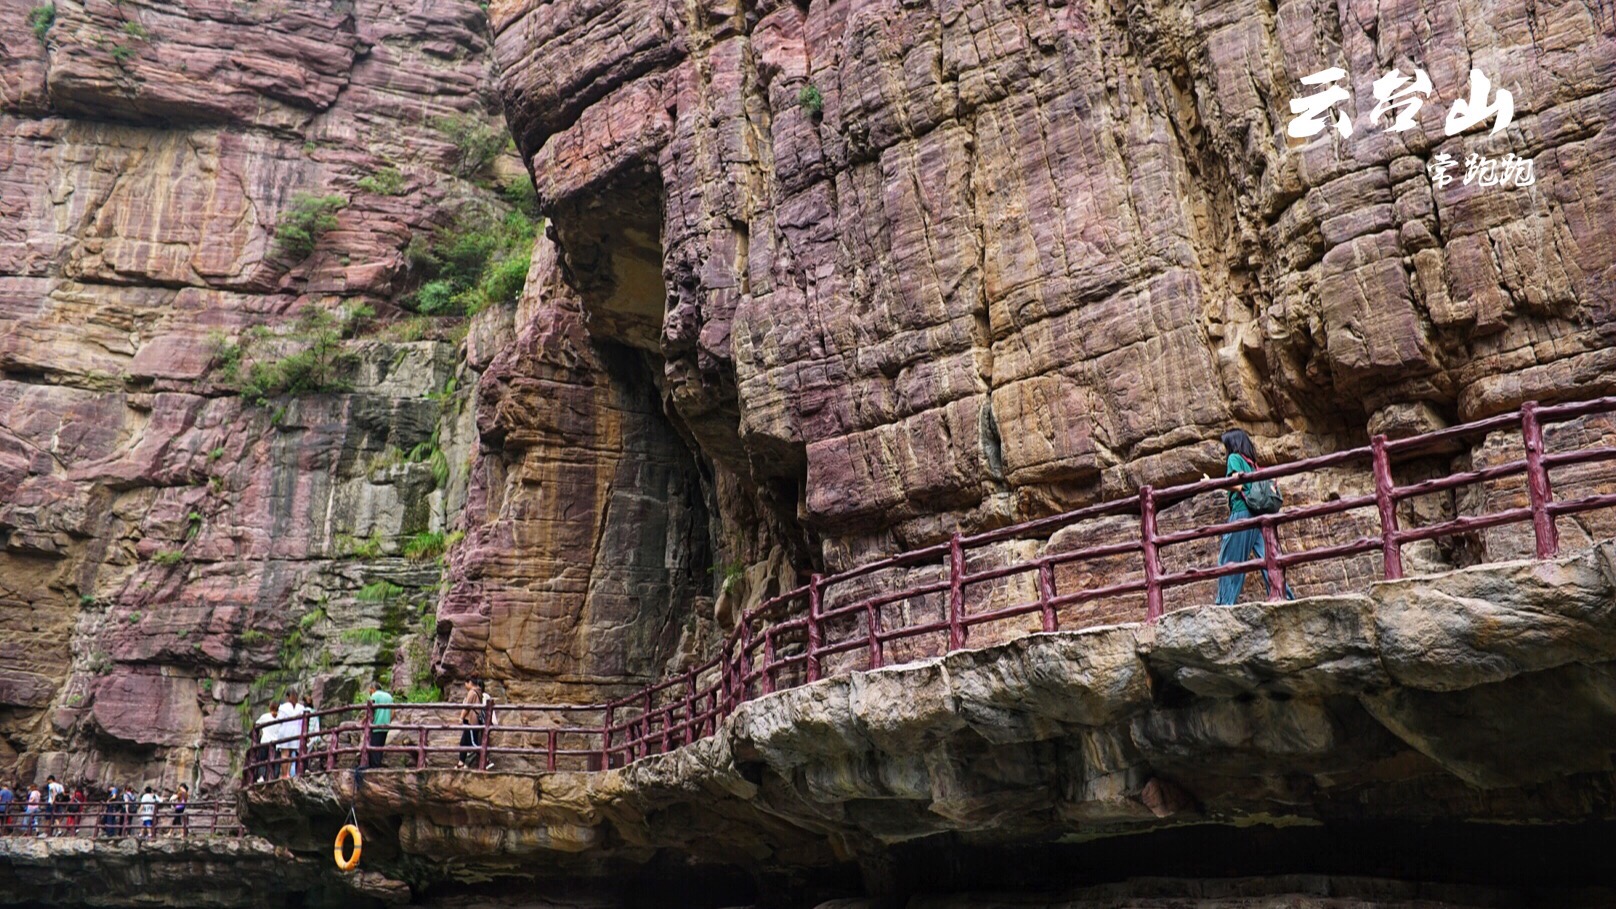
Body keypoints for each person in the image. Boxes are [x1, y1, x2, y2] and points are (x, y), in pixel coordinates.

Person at [1215, 429, 1296, 605]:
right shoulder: (1252, 463)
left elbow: (1235, 483)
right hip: (1258, 514)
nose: (1225, 450)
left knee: (1230, 559)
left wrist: (1211, 484)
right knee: (1268, 558)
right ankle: (1283, 597)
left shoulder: (1234, 458)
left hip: (1242, 512)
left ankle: (1224, 604)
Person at [456, 679, 489, 769]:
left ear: (470, 683)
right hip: (470, 720)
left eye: (465, 683)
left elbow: (466, 707)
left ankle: (486, 760)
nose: (465, 685)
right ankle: (461, 763)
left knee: (473, 743)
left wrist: (461, 717)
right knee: (463, 742)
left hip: (471, 721)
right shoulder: (478, 692)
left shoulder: (472, 692)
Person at [276, 691, 305, 778]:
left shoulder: (283, 708)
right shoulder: (300, 708)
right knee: (291, 752)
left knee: (285, 754)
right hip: (296, 732)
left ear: (288, 697)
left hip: (285, 731)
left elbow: (279, 719)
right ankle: (288, 774)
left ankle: (285, 774)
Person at [365, 681, 393, 769]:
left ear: (373, 689)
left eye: (370, 690)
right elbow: (393, 712)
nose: (369, 692)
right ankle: (378, 765)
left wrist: (365, 721)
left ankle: (375, 768)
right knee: (380, 747)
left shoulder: (374, 696)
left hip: (376, 725)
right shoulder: (389, 696)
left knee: (373, 747)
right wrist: (388, 720)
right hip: (385, 726)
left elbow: (370, 712)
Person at [254, 703, 280, 782]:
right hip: (276, 742)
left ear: (270, 708)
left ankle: (262, 776)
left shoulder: (265, 716)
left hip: (265, 741)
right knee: (276, 761)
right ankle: (274, 777)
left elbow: (256, 725)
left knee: (262, 760)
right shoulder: (280, 717)